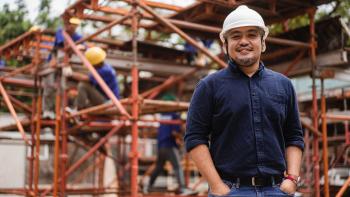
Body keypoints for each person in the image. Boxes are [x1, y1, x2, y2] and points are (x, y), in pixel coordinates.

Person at [184, 5, 304, 197]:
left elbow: (294, 136)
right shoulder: (209, 86)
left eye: (252, 35)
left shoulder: (284, 85)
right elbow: (195, 138)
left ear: (263, 42)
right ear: (225, 44)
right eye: (236, 36)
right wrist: (217, 186)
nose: (244, 41)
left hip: (277, 189)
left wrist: (292, 179)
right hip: (231, 190)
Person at [143, 93, 197, 196]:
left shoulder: (162, 115)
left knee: (159, 167)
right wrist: (182, 137)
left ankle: (148, 186)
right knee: (177, 167)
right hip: (169, 145)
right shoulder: (174, 115)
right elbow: (174, 132)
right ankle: (182, 189)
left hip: (161, 145)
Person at [42, 17, 84, 119]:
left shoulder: (77, 36)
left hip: (65, 62)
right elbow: (61, 47)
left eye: (75, 25)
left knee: (64, 87)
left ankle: (62, 109)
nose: (73, 27)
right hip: (54, 61)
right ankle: (47, 111)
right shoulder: (61, 32)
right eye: (72, 25)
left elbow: (84, 46)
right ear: (67, 24)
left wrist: (79, 48)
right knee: (50, 86)